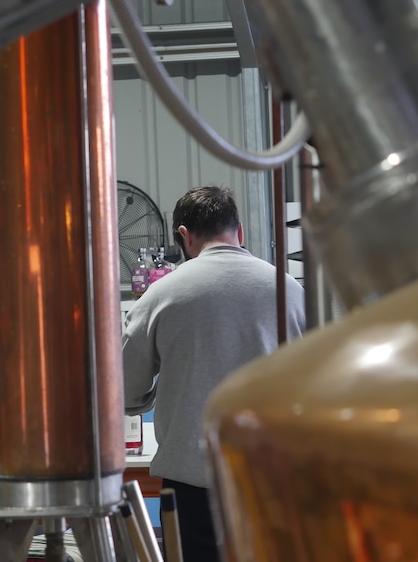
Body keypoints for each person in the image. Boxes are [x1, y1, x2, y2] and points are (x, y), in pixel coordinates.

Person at [122, 185, 306, 562]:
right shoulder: (289, 289)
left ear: (184, 236)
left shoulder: (160, 296)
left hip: (194, 483)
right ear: (239, 232)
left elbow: (126, 392)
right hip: (274, 479)